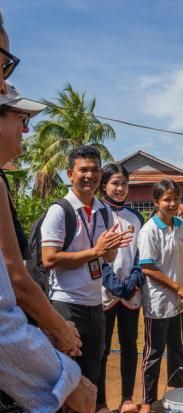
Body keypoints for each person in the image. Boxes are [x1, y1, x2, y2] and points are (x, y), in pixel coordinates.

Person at [0, 65, 95, 413]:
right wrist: (62, 352)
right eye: (21, 118)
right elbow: (17, 281)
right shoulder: (59, 210)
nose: (26, 129)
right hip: (57, 311)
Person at [41, 146, 132, 385]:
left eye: (94, 170)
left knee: (92, 370)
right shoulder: (59, 211)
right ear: (70, 174)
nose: (89, 175)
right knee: (67, 373)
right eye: (83, 170)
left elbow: (107, 258)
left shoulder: (104, 212)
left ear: (100, 174)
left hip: (95, 304)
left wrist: (111, 248)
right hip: (67, 304)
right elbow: (49, 259)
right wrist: (96, 251)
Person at [136, 179, 183, 413]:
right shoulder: (149, 230)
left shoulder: (182, 226)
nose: (172, 204)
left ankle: (177, 393)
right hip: (159, 304)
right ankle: (148, 402)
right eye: (167, 199)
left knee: (178, 349)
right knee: (153, 353)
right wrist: (177, 287)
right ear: (156, 202)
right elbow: (148, 267)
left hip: (180, 303)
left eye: (176, 199)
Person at [96, 163, 145, 413]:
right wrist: (115, 284)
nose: (119, 188)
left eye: (124, 183)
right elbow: (97, 255)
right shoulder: (96, 214)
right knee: (101, 350)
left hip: (130, 294)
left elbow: (140, 253)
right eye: (114, 183)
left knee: (129, 347)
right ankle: (100, 403)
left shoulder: (136, 217)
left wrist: (133, 280)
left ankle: (127, 398)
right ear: (104, 185)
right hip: (103, 293)